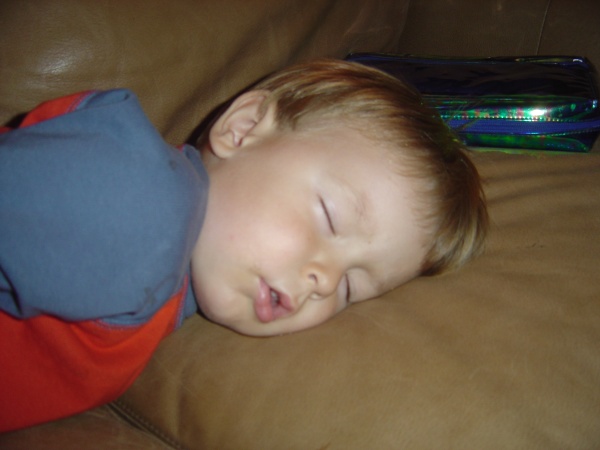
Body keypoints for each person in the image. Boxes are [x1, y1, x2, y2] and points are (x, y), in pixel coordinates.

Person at [0, 59, 488, 432]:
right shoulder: (142, 205)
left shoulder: (171, 275)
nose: (325, 281)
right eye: (330, 216)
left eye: (350, 289)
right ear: (243, 129)